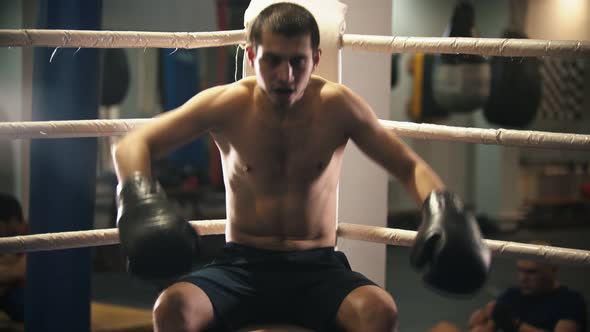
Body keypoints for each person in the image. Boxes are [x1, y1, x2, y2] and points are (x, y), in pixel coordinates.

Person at [112, 3, 490, 331]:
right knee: (171, 309)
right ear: (250, 54)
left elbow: (409, 167)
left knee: (380, 311)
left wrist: (442, 207)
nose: (286, 76)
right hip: (242, 267)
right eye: (273, 60)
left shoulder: (339, 107)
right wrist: (139, 197)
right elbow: (132, 145)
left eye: (298, 61)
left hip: (318, 268)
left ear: (317, 59)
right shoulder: (225, 106)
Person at [469, 242, 587, 332]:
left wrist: (515, 324)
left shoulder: (571, 301)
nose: (523, 278)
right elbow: (481, 326)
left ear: (553, 270)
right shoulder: (512, 295)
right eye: (520, 270)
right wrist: (482, 316)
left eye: (531, 272)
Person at [0, 193, 26, 323]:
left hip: (28, 295)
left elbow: (20, 271)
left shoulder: (34, 235)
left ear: (13, 220)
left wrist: (10, 271)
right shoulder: (5, 240)